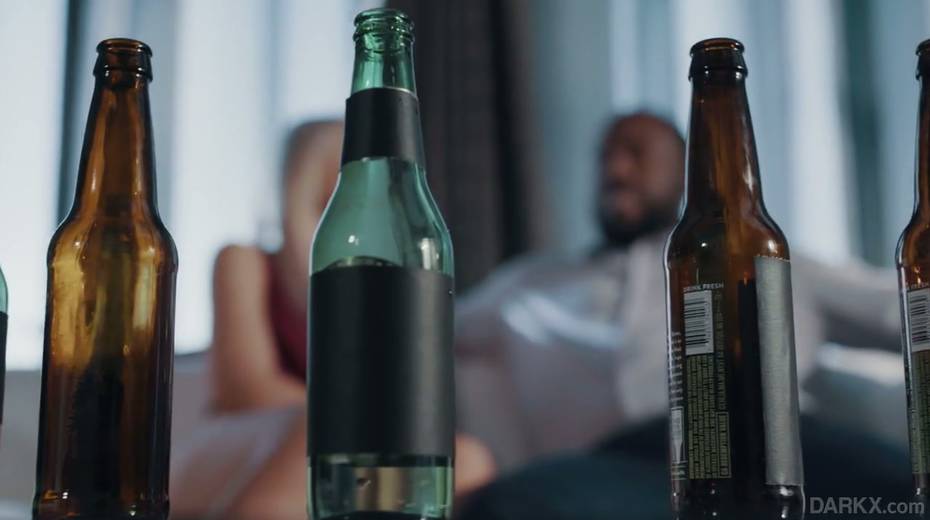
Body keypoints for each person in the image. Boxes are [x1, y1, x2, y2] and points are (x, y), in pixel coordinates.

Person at [454, 112, 911, 518]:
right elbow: (426, 332)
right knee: (512, 504)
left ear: (684, 171)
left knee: (906, 493)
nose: (616, 170)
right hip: (622, 466)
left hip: (771, 447)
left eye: (636, 153)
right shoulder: (529, 283)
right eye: (606, 156)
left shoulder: (762, 254)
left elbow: (903, 308)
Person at [171, 120, 495, 520]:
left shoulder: (388, 281)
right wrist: (366, 419)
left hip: (350, 439)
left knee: (470, 458)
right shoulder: (244, 261)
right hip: (257, 433)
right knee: (323, 433)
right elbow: (246, 389)